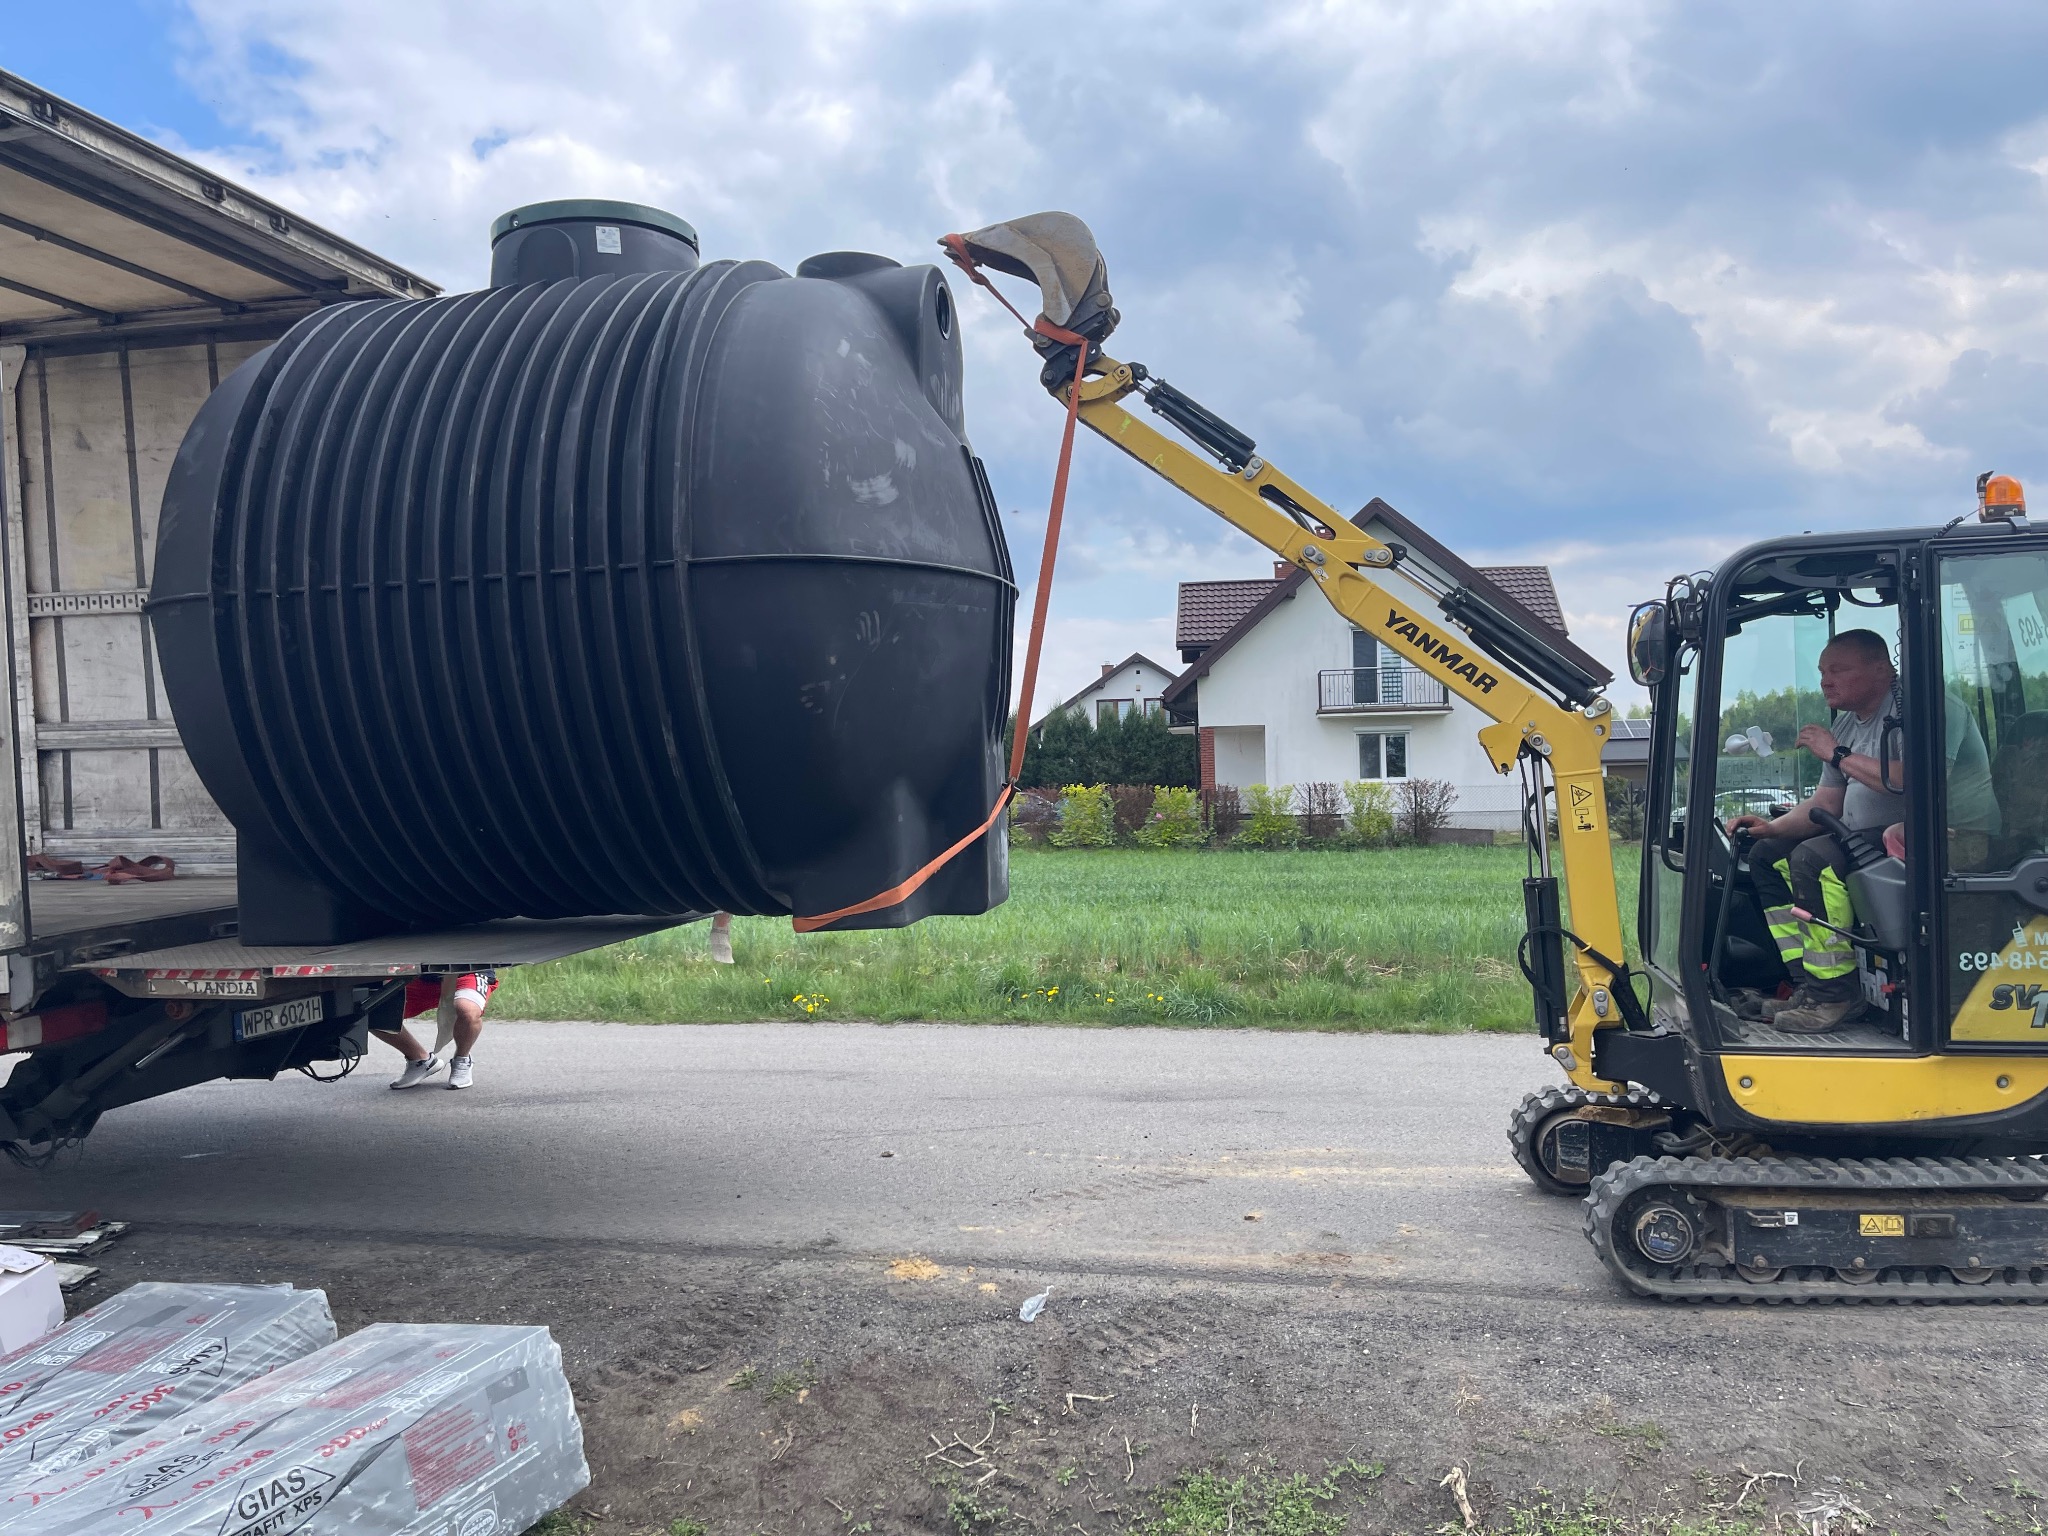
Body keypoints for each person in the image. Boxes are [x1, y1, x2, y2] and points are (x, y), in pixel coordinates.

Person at [1725, 628, 1996, 1033]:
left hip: (1951, 836)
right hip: (1881, 834)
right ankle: (1809, 985)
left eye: (1839, 670)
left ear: (1882, 669)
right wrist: (1770, 828)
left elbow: (1917, 781)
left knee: (1814, 860)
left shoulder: (1927, 707)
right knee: (1770, 856)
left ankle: (1837, 997)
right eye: (1821, 671)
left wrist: (1835, 752)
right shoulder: (1849, 725)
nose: (1825, 681)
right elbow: (1825, 805)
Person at [376, 970, 499, 1090]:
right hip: (422, 974)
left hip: (470, 972)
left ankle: (462, 1059)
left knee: (467, 1010)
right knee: (371, 1011)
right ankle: (420, 1061)